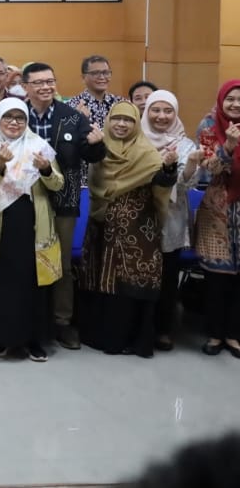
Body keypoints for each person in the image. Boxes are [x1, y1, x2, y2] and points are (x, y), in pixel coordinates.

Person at [20, 62, 106, 349]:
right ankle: (30, 318)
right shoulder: (17, 114)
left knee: (62, 263)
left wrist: (96, 144)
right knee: (26, 260)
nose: (46, 87)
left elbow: (91, 155)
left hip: (64, 200)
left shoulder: (72, 117)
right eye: (39, 82)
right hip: (24, 199)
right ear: (25, 86)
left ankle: (62, 321)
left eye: (50, 81)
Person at [77, 102, 174, 357]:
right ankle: (99, 336)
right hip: (100, 226)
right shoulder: (100, 149)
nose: (121, 124)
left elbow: (161, 187)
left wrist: (168, 169)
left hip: (137, 231)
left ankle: (130, 339)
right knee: (99, 280)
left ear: (137, 123)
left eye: (128, 120)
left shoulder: (147, 153)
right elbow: (92, 176)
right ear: (108, 121)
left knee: (129, 283)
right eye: (116, 118)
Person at [0, 98, 64, 361]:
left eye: (20, 118)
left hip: (33, 223)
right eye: (8, 117)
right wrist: (0, 164)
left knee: (33, 282)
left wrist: (46, 169)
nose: (14, 122)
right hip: (1, 224)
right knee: (3, 284)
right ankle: (0, 339)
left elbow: (58, 184)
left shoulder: (39, 147)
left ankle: (34, 341)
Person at [140, 90, 201, 350]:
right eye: (156, 110)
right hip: (139, 215)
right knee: (138, 273)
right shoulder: (136, 139)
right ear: (147, 111)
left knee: (167, 275)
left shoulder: (185, 144)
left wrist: (189, 166)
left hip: (171, 218)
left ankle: (163, 329)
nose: (161, 116)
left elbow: (187, 185)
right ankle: (139, 327)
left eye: (168, 111)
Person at [194, 79, 240, 357]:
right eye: (230, 98)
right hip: (217, 211)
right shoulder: (208, 126)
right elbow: (210, 169)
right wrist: (229, 148)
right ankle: (214, 334)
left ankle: (234, 335)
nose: (235, 104)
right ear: (222, 100)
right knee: (216, 278)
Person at [67, 54, 125, 128]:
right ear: (83, 77)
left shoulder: (120, 103)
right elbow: (65, 132)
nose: (102, 77)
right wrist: (78, 119)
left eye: (106, 73)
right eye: (95, 73)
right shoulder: (72, 105)